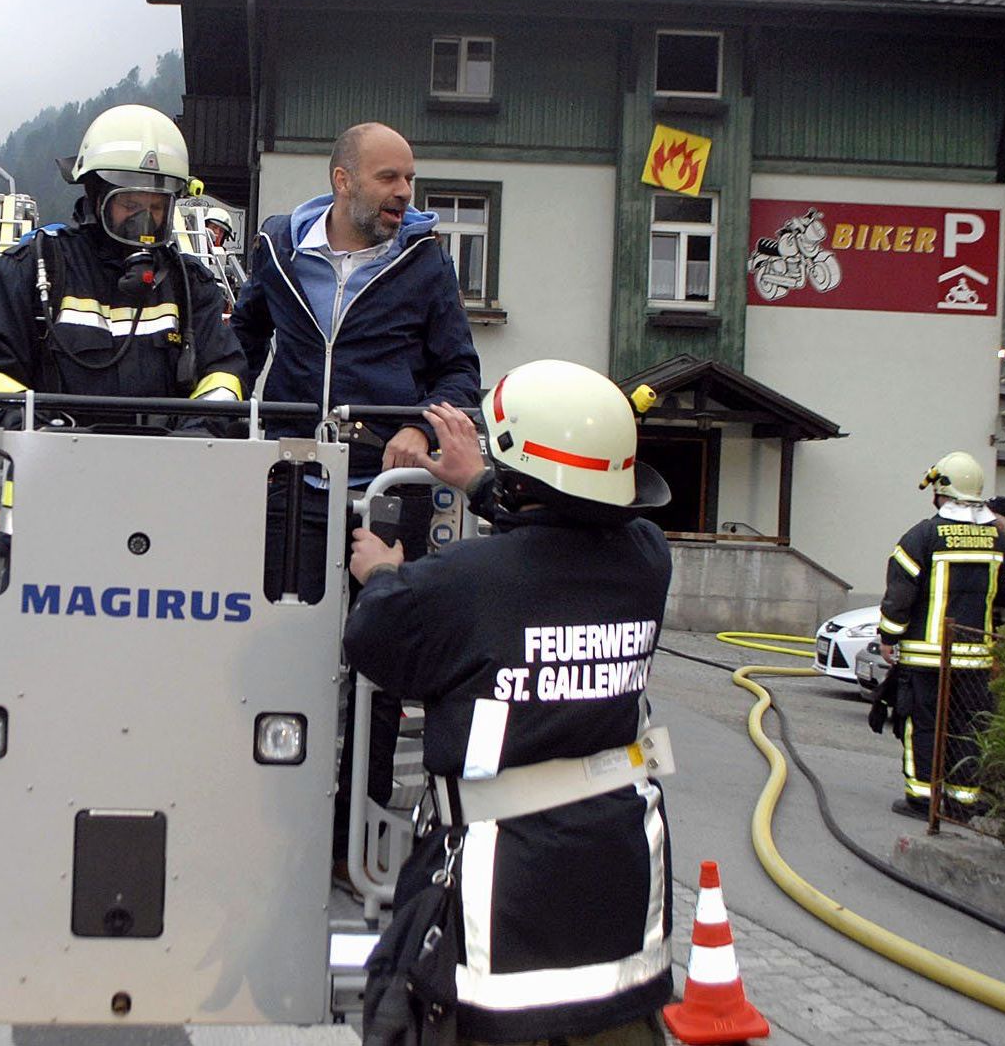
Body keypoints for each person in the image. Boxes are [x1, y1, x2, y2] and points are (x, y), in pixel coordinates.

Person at [346, 360, 675, 1045]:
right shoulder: (646, 560)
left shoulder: (458, 583)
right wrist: (482, 479)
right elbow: (565, 520)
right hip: (618, 880)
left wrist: (379, 570)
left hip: (506, 902)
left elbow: (374, 640)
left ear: (518, 475)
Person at [229, 121, 481, 859]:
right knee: (280, 650)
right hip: (291, 481)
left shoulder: (426, 266)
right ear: (343, 181)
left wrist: (424, 430)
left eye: (409, 179)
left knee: (375, 659)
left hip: (382, 490)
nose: (404, 192)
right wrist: (227, 420)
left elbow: (458, 374)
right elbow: (239, 346)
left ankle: (354, 835)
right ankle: (269, 820)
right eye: (388, 178)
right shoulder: (278, 250)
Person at [0, 104, 245, 406]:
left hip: (165, 450)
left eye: (156, 208)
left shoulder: (190, 285)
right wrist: (39, 433)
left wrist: (197, 434)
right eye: (131, 206)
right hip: (51, 448)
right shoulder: (32, 270)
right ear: (95, 197)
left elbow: (224, 375)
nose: (143, 221)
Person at [878, 452, 1005, 819]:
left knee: (922, 724)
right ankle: (961, 801)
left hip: (927, 657)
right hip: (974, 660)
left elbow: (900, 593)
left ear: (942, 491)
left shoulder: (923, 536)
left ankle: (923, 799)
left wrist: (888, 637)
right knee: (967, 726)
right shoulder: (997, 540)